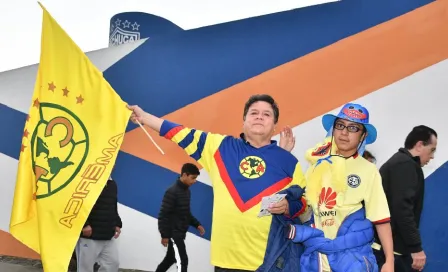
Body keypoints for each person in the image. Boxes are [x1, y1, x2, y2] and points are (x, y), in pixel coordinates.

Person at [128, 94, 308, 272]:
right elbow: (179, 132)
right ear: (243, 120)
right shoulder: (219, 147)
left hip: (270, 262)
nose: (260, 116)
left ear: (274, 124)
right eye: (254, 113)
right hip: (226, 262)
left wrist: (287, 206)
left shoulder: (288, 161)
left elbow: (304, 204)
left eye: (267, 114)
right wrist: (144, 117)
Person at [285, 103, 394, 272]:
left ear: (363, 135)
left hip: (352, 257)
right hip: (318, 257)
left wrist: (389, 261)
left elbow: (381, 219)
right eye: (340, 125)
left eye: (353, 128)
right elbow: (304, 208)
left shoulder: (368, 170)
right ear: (333, 129)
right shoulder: (317, 165)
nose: (344, 132)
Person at [373, 125, 437, 272]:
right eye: (432, 150)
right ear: (420, 145)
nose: (432, 156)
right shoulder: (404, 165)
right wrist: (415, 248)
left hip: (391, 249)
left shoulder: (400, 163)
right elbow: (402, 210)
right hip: (392, 252)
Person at [156, 163, 206, 272]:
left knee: (170, 259)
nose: (194, 181)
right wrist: (164, 235)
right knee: (182, 260)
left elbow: (186, 213)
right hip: (174, 233)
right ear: (184, 175)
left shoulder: (187, 191)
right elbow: (163, 215)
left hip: (180, 232)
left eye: (195, 178)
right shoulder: (172, 191)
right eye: (192, 178)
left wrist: (197, 224)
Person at [76, 177, 122, 272]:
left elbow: (113, 205)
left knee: (113, 263)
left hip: (107, 234)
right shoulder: (87, 180)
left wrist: (117, 223)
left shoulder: (112, 184)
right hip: (89, 235)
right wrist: (84, 224)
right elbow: (78, 203)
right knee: (85, 268)